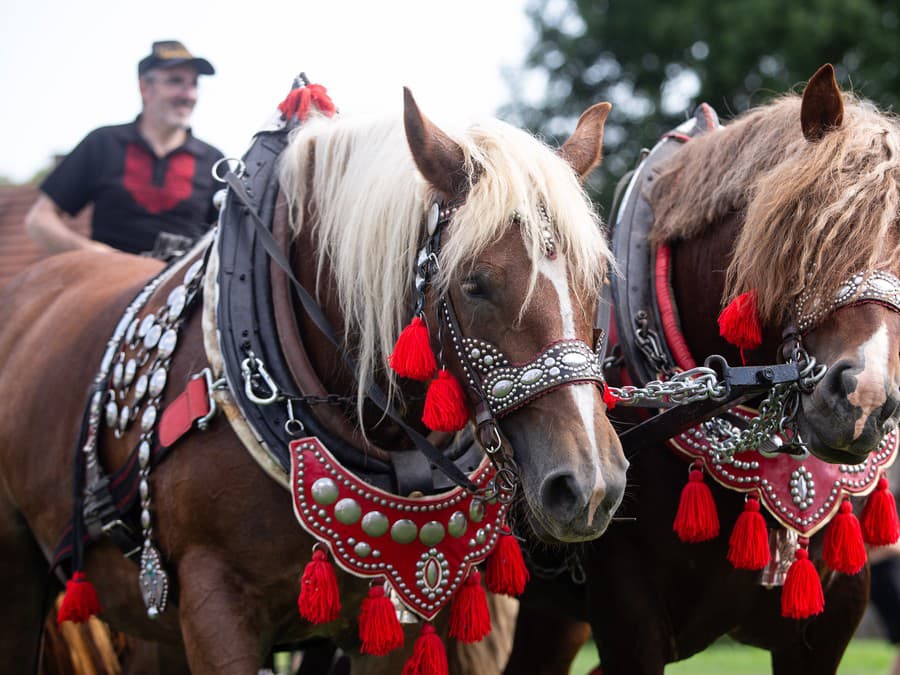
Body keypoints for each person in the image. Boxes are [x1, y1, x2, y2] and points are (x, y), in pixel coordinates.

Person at [25, 40, 224, 260]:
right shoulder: (104, 143)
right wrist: (94, 254)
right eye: (175, 81)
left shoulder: (214, 161)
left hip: (181, 280)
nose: (188, 95)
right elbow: (39, 219)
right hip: (109, 277)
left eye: (194, 84)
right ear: (145, 88)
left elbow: (229, 234)